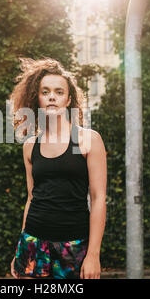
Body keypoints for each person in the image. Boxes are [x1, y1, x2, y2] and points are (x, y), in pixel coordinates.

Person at [8, 57, 107, 279]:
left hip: (73, 245)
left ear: (68, 98)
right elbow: (32, 197)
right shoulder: (30, 145)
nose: (52, 96)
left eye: (59, 92)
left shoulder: (88, 140)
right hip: (33, 242)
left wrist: (93, 254)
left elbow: (99, 198)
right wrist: (22, 246)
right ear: (38, 98)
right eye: (45, 91)